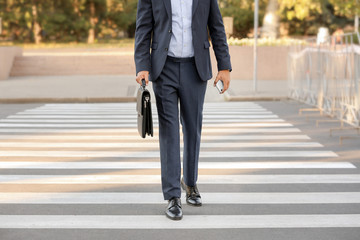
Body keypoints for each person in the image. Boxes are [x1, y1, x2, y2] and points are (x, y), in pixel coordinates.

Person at [134, 0, 232, 221]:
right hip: (164, 67)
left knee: (192, 127)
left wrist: (224, 66)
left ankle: (190, 183)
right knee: (169, 131)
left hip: (195, 69)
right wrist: (142, 65)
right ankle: (172, 196)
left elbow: (216, 27)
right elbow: (143, 28)